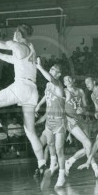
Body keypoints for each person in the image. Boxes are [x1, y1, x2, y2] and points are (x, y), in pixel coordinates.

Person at [0, 8, 46, 175]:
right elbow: (12, 59)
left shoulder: (16, 44)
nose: (13, 35)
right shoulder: (30, 47)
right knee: (30, 131)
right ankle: (42, 164)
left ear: (19, 35)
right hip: (32, 91)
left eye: (15, 33)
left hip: (21, 87)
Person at [63, 76, 98, 179]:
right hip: (70, 121)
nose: (68, 81)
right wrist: (69, 120)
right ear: (64, 83)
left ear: (73, 80)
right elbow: (59, 108)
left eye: (70, 79)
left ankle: (69, 162)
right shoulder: (64, 91)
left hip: (80, 120)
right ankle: (96, 170)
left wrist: (82, 109)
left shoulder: (80, 91)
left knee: (88, 146)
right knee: (88, 144)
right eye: (66, 80)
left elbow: (85, 105)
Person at [35, 60, 66, 188]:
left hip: (59, 120)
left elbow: (50, 79)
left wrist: (39, 67)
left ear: (58, 74)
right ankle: (53, 165)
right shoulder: (48, 85)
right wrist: (39, 105)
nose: (51, 70)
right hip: (49, 120)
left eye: (53, 70)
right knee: (50, 144)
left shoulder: (58, 85)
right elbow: (45, 95)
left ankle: (62, 176)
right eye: (51, 68)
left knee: (59, 149)